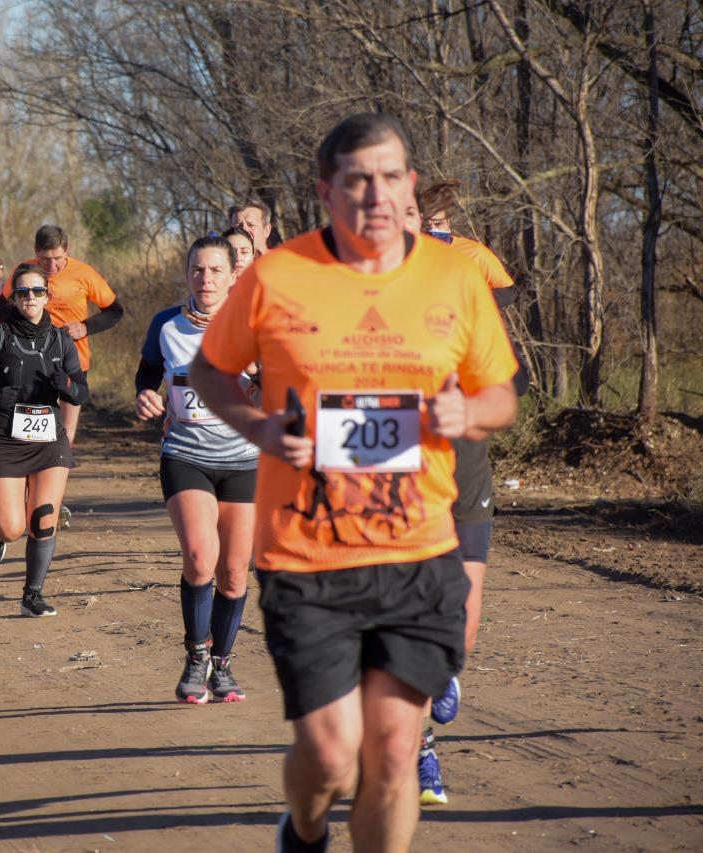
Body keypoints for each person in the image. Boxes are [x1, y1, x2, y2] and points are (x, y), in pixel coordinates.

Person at [191, 113, 519, 852]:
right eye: (357, 179)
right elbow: (209, 371)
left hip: (418, 552)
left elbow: (502, 393)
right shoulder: (278, 276)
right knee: (334, 756)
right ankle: (305, 828)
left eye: (390, 176)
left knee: (395, 753)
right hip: (308, 555)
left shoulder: (454, 276)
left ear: (410, 184)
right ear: (326, 191)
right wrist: (258, 427)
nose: (376, 193)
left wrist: (470, 410)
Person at [408, 179, 527, 807]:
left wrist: (473, 405)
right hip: (396, 476)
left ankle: (446, 669)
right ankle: (422, 755)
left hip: (466, 466)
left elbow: (513, 384)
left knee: (464, 622)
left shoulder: (465, 289)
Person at [135, 235, 259, 704]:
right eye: (197, 270)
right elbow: (148, 371)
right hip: (186, 455)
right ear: (187, 274)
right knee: (200, 557)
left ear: (233, 275)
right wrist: (145, 394)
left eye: (215, 270)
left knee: (234, 573)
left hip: (245, 461)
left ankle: (222, 665)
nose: (205, 278)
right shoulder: (166, 324)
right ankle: (196, 655)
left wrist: (260, 372)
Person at [0, 265, 89, 617]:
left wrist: (67, 387)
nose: (30, 297)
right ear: (13, 298)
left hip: (49, 441)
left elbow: (82, 393)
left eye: (37, 291)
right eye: (22, 292)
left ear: (47, 296)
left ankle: (32, 596)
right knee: (11, 527)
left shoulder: (61, 341)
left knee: (43, 519)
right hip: (5, 439)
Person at [2, 225, 124, 529]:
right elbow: (2, 307)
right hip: (30, 363)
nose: (52, 266)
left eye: (57, 258)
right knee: (28, 427)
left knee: (65, 433)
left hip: (73, 363)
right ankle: (28, 494)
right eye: (45, 259)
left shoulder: (83, 273)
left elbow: (115, 310)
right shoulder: (25, 273)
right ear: (36, 253)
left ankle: (52, 500)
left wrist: (86, 327)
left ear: (66, 251)